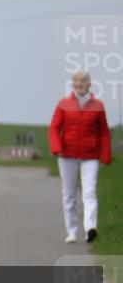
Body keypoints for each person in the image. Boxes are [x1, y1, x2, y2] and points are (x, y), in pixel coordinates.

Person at [49, 70, 112, 243]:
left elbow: (104, 133)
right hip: (67, 155)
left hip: (90, 156)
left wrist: (105, 156)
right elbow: (54, 128)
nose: (80, 84)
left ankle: (90, 228)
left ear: (89, 84)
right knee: (69, 195)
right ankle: (71, 231)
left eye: (83, 81)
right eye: (76, 81)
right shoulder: (63, 104)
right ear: (72, 84)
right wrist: (56, 147)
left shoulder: (98, 106)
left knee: (89, 192)